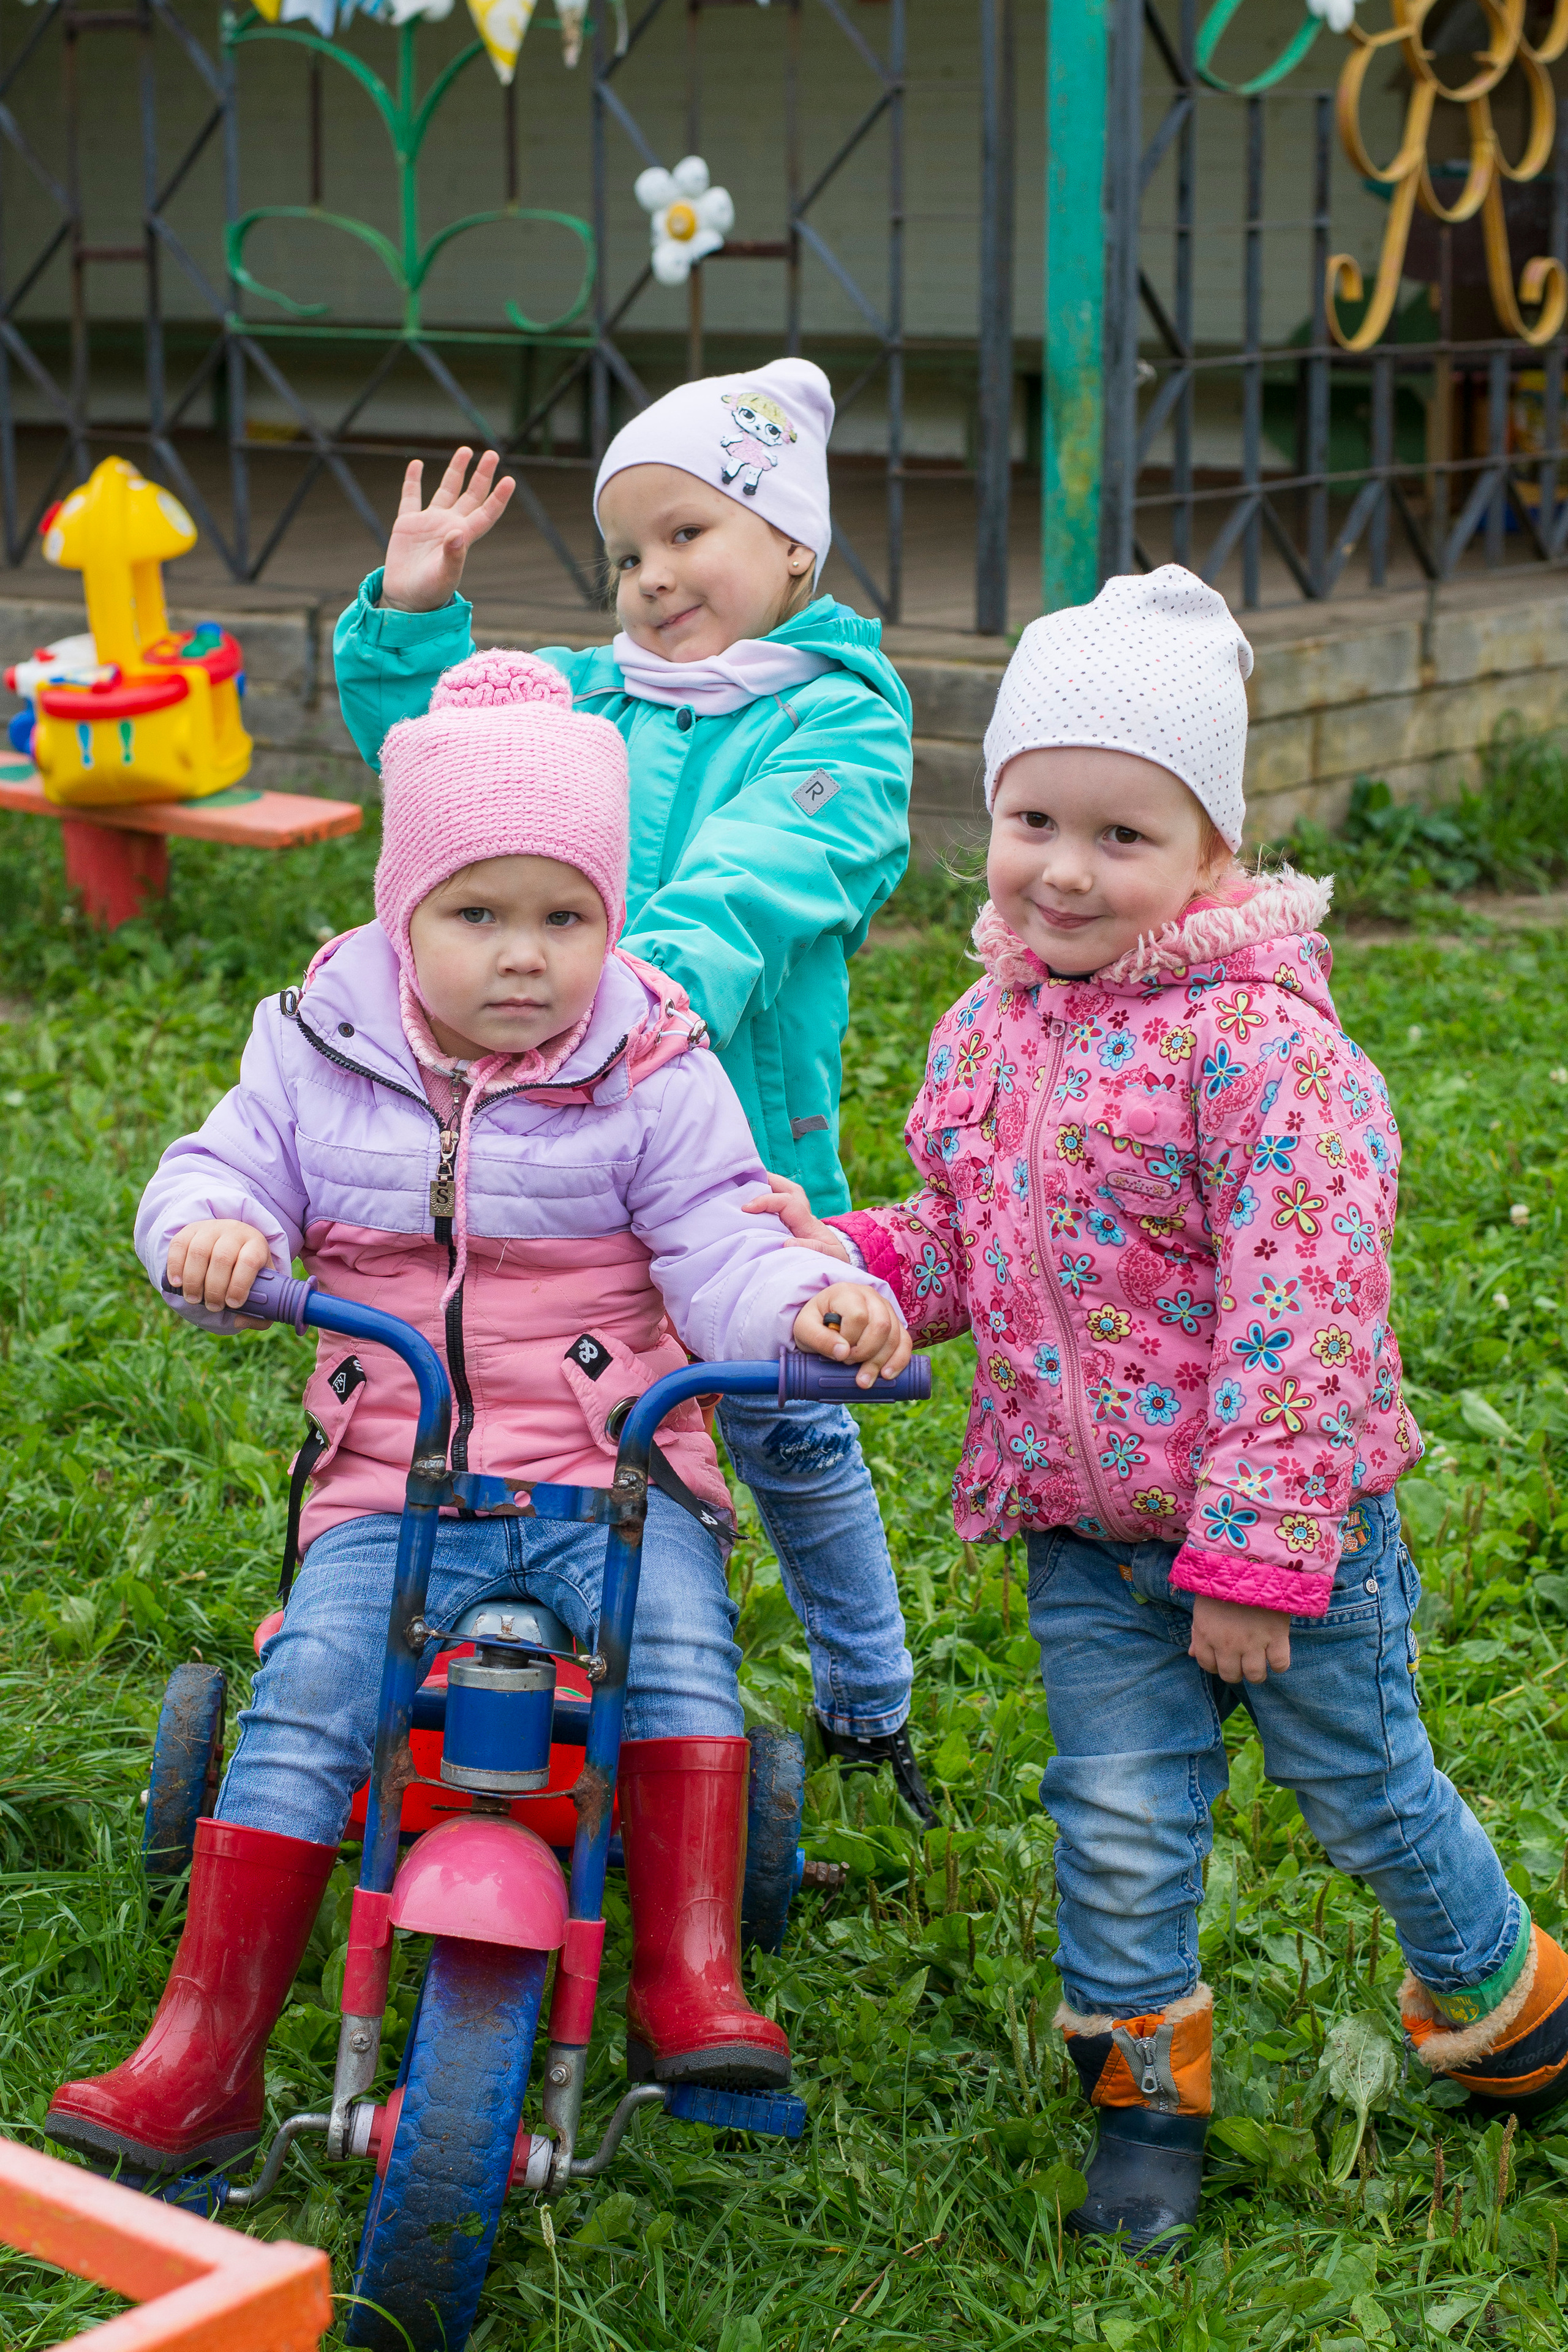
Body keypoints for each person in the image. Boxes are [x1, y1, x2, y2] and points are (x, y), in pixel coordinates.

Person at [750, 566, 1568, 2255]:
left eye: (1123, 836)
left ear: (1216, 855)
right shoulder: (991, 1025)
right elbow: (970, 1237)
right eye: (1033, 815)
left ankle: (1507, 2003)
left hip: (1290, 1549)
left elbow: (1307, 1317)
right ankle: (1145, 2104)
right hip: (1086, 1537)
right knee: (1118, 1824)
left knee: (1367, 1798)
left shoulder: (1269, 1054)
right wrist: (851, 1268)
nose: (1062, 866)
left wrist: (1257, 1555)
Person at [45, 649, 909, 2180]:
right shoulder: (323, 1045)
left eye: (564, 918)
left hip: (612, 1479)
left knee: (682, 1662)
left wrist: (795, 1304)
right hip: (397, 1476)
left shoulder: (649, 1063)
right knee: (314, 1692)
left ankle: (687, 1974)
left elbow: (717, 1232)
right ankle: (207, 2044)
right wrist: (215, 1234)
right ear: (401, 913)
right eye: (479, 915)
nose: (526, 958)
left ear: (609, 921)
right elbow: (223, 1165)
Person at [331, 360, 933, 1824]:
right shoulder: (590, 699)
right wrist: (412, 622)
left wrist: (623, 998)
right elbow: (454, 785)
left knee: (787, 1431)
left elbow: (755, 885)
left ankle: (867, 1705)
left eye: (688, 534)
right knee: (549, 1407)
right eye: (625, 552)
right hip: (559, 1166)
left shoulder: (838, 724)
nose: (651, 577)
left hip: (734, 1163)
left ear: (791, 542)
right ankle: (523, 1650)